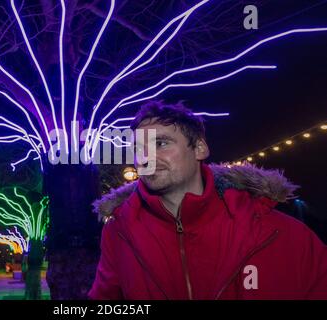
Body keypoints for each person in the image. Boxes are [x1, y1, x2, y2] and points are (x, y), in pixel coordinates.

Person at [89, 101, 327, 300]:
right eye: (139, 148)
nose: (146, 158)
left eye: (161, 144)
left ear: (200, 148)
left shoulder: (276, 230)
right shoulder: (119, 233)